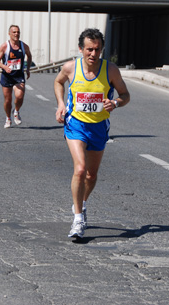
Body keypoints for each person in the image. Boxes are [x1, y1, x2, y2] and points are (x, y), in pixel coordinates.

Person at [54, 28, 130, 239]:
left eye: (97, 50)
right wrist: (61, 104)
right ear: (81, 49)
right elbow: (58, 81)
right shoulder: (71, 68)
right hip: (76, 124)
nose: (93, 54)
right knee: (80, 169)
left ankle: (82, 202)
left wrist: (115, 102)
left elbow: (125, 95)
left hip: (98, 126)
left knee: (91, 174)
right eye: (89, 49)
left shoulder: (110, 70)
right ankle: (78, 220)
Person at [0, 25, 32, 129]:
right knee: (8, 100)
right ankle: (8, 118)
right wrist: (4, 67)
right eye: (14, 32)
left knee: (20, 96)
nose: (16, 34)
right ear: (9, 33)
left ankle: (16, 111)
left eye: (18, 32)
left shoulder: (24, 46)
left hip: (18, 75)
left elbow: (29, 56)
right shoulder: (5, 46)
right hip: (7, 76)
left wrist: (28, 69)